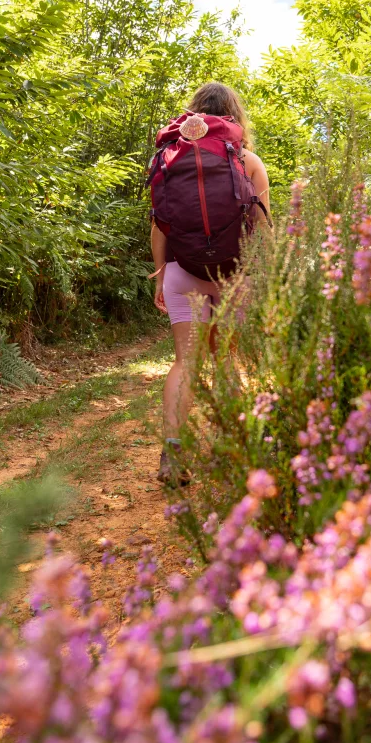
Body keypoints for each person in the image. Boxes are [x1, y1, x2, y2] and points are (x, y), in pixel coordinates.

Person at [150, 82, 270, 485]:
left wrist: (161, 273)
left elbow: (159, 224)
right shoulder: (248, 160)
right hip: (235, 274)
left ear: (194, 113)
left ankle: (173, 454)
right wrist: (264, 276)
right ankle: (231, 450)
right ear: (234, 115)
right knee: (226, 360)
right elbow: (262, 226)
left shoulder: (170, 158)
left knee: (185, 361)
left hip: (183, 270)